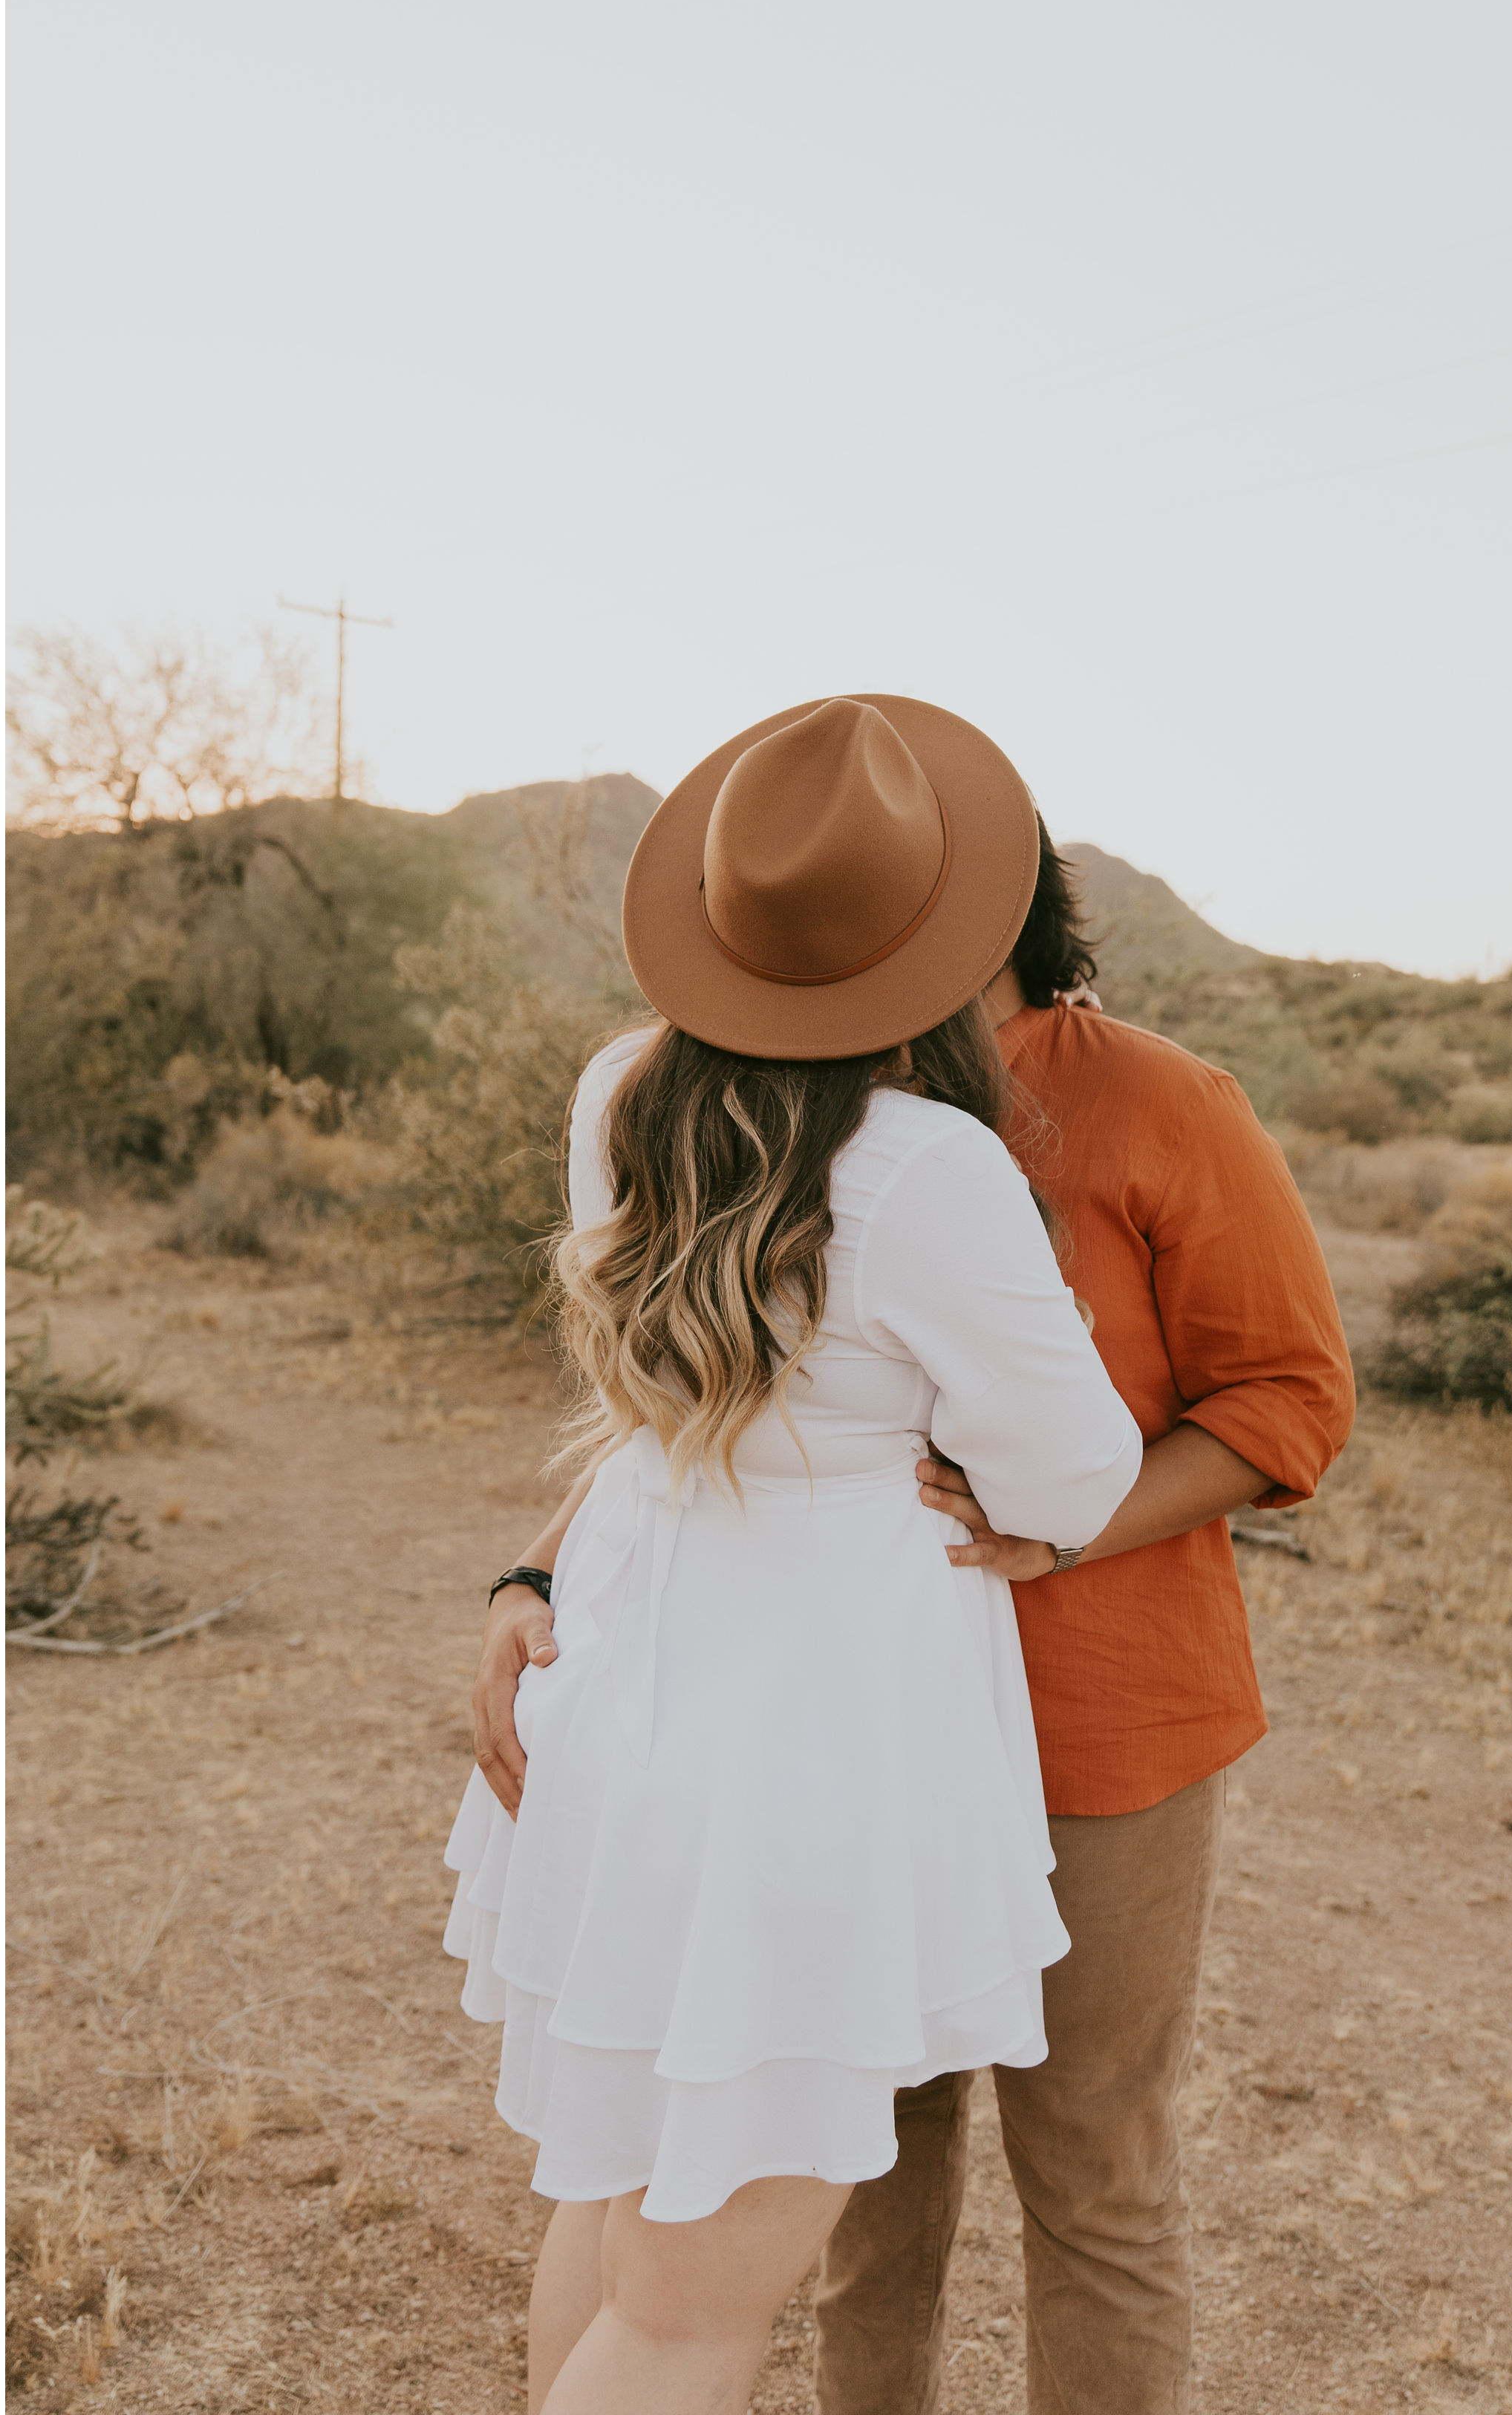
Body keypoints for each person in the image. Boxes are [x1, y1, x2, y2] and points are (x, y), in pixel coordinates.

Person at [475, 806, 1355, 2415]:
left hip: (1095, 1719)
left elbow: (1290, 1398)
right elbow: (687, 1409)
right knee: (853, 2192)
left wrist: (1056, 1539)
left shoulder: (1162, 1102)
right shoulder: (794, 1107)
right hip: (858, 1738)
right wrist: (540, 1569)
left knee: (1091, 2167)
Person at [443, 694, 1144, 2415]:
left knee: (617, 2201)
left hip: (632, 1688)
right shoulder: (928, 1167)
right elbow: (1074, 1468)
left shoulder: (621, 1092)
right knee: (694, 2304)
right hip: (817, 1739)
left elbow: (659, 1403)